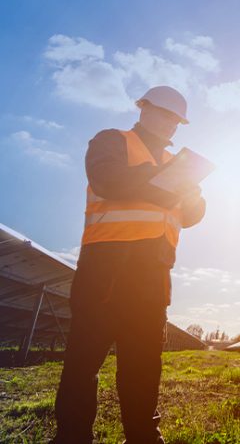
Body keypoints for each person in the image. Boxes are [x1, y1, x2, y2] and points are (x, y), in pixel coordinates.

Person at [52, 86, 206, 444]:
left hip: (153, 277)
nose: (171, 125)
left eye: (176, 121)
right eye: (165, 115)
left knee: (143, 366)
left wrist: (193, 192)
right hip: (106, 271)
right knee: (83, 362)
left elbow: (194, 216)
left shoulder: (177, 165)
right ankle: (72, 437)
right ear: (143, 108)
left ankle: (143, 436)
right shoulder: (111, 141)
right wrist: (169, 183)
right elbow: (107, 180)